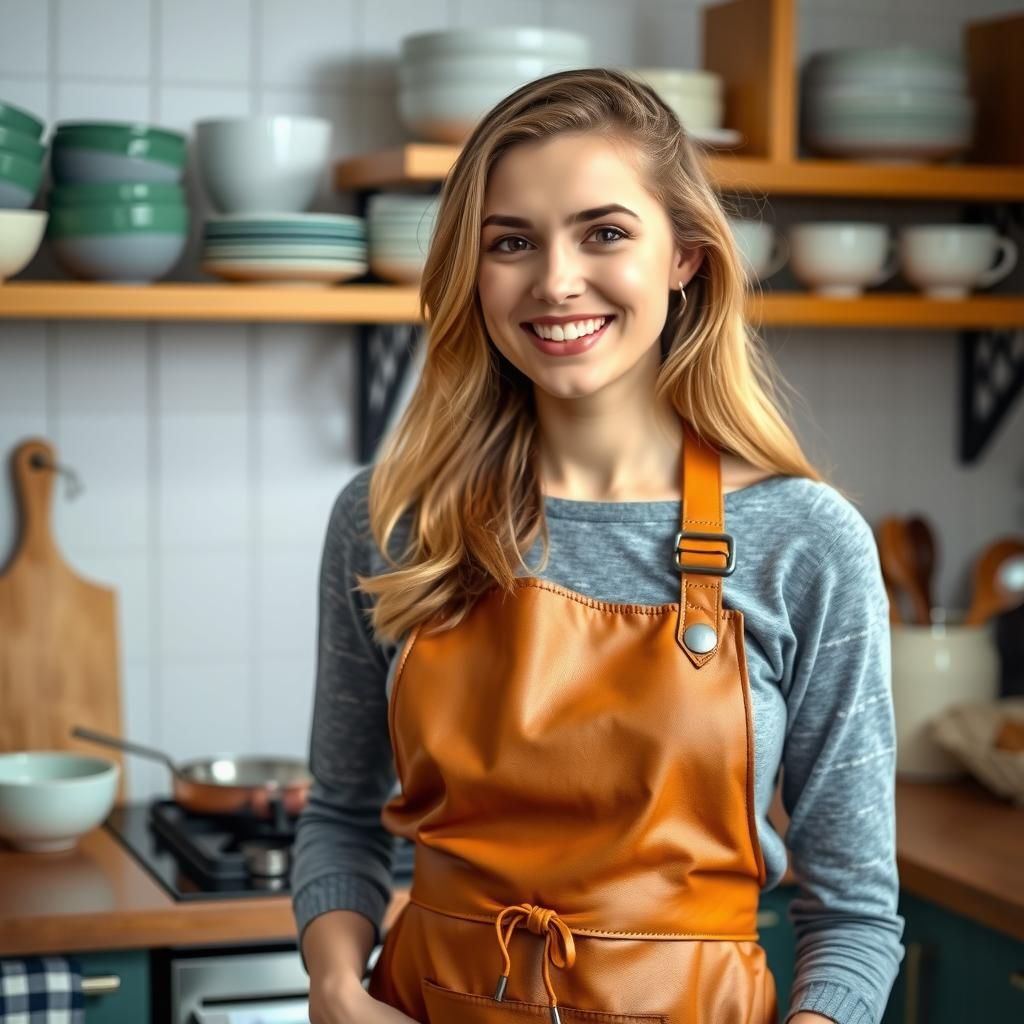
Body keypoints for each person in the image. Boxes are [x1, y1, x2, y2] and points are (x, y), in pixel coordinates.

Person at [292, 68, 905, 1024]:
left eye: (605, 233)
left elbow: (857, 912)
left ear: (685, 258)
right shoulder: (391, 518)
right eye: (511, 243)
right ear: (472, 270)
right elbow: (339, 816)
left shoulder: (804, 541)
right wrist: (335, 988)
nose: (556, 281)